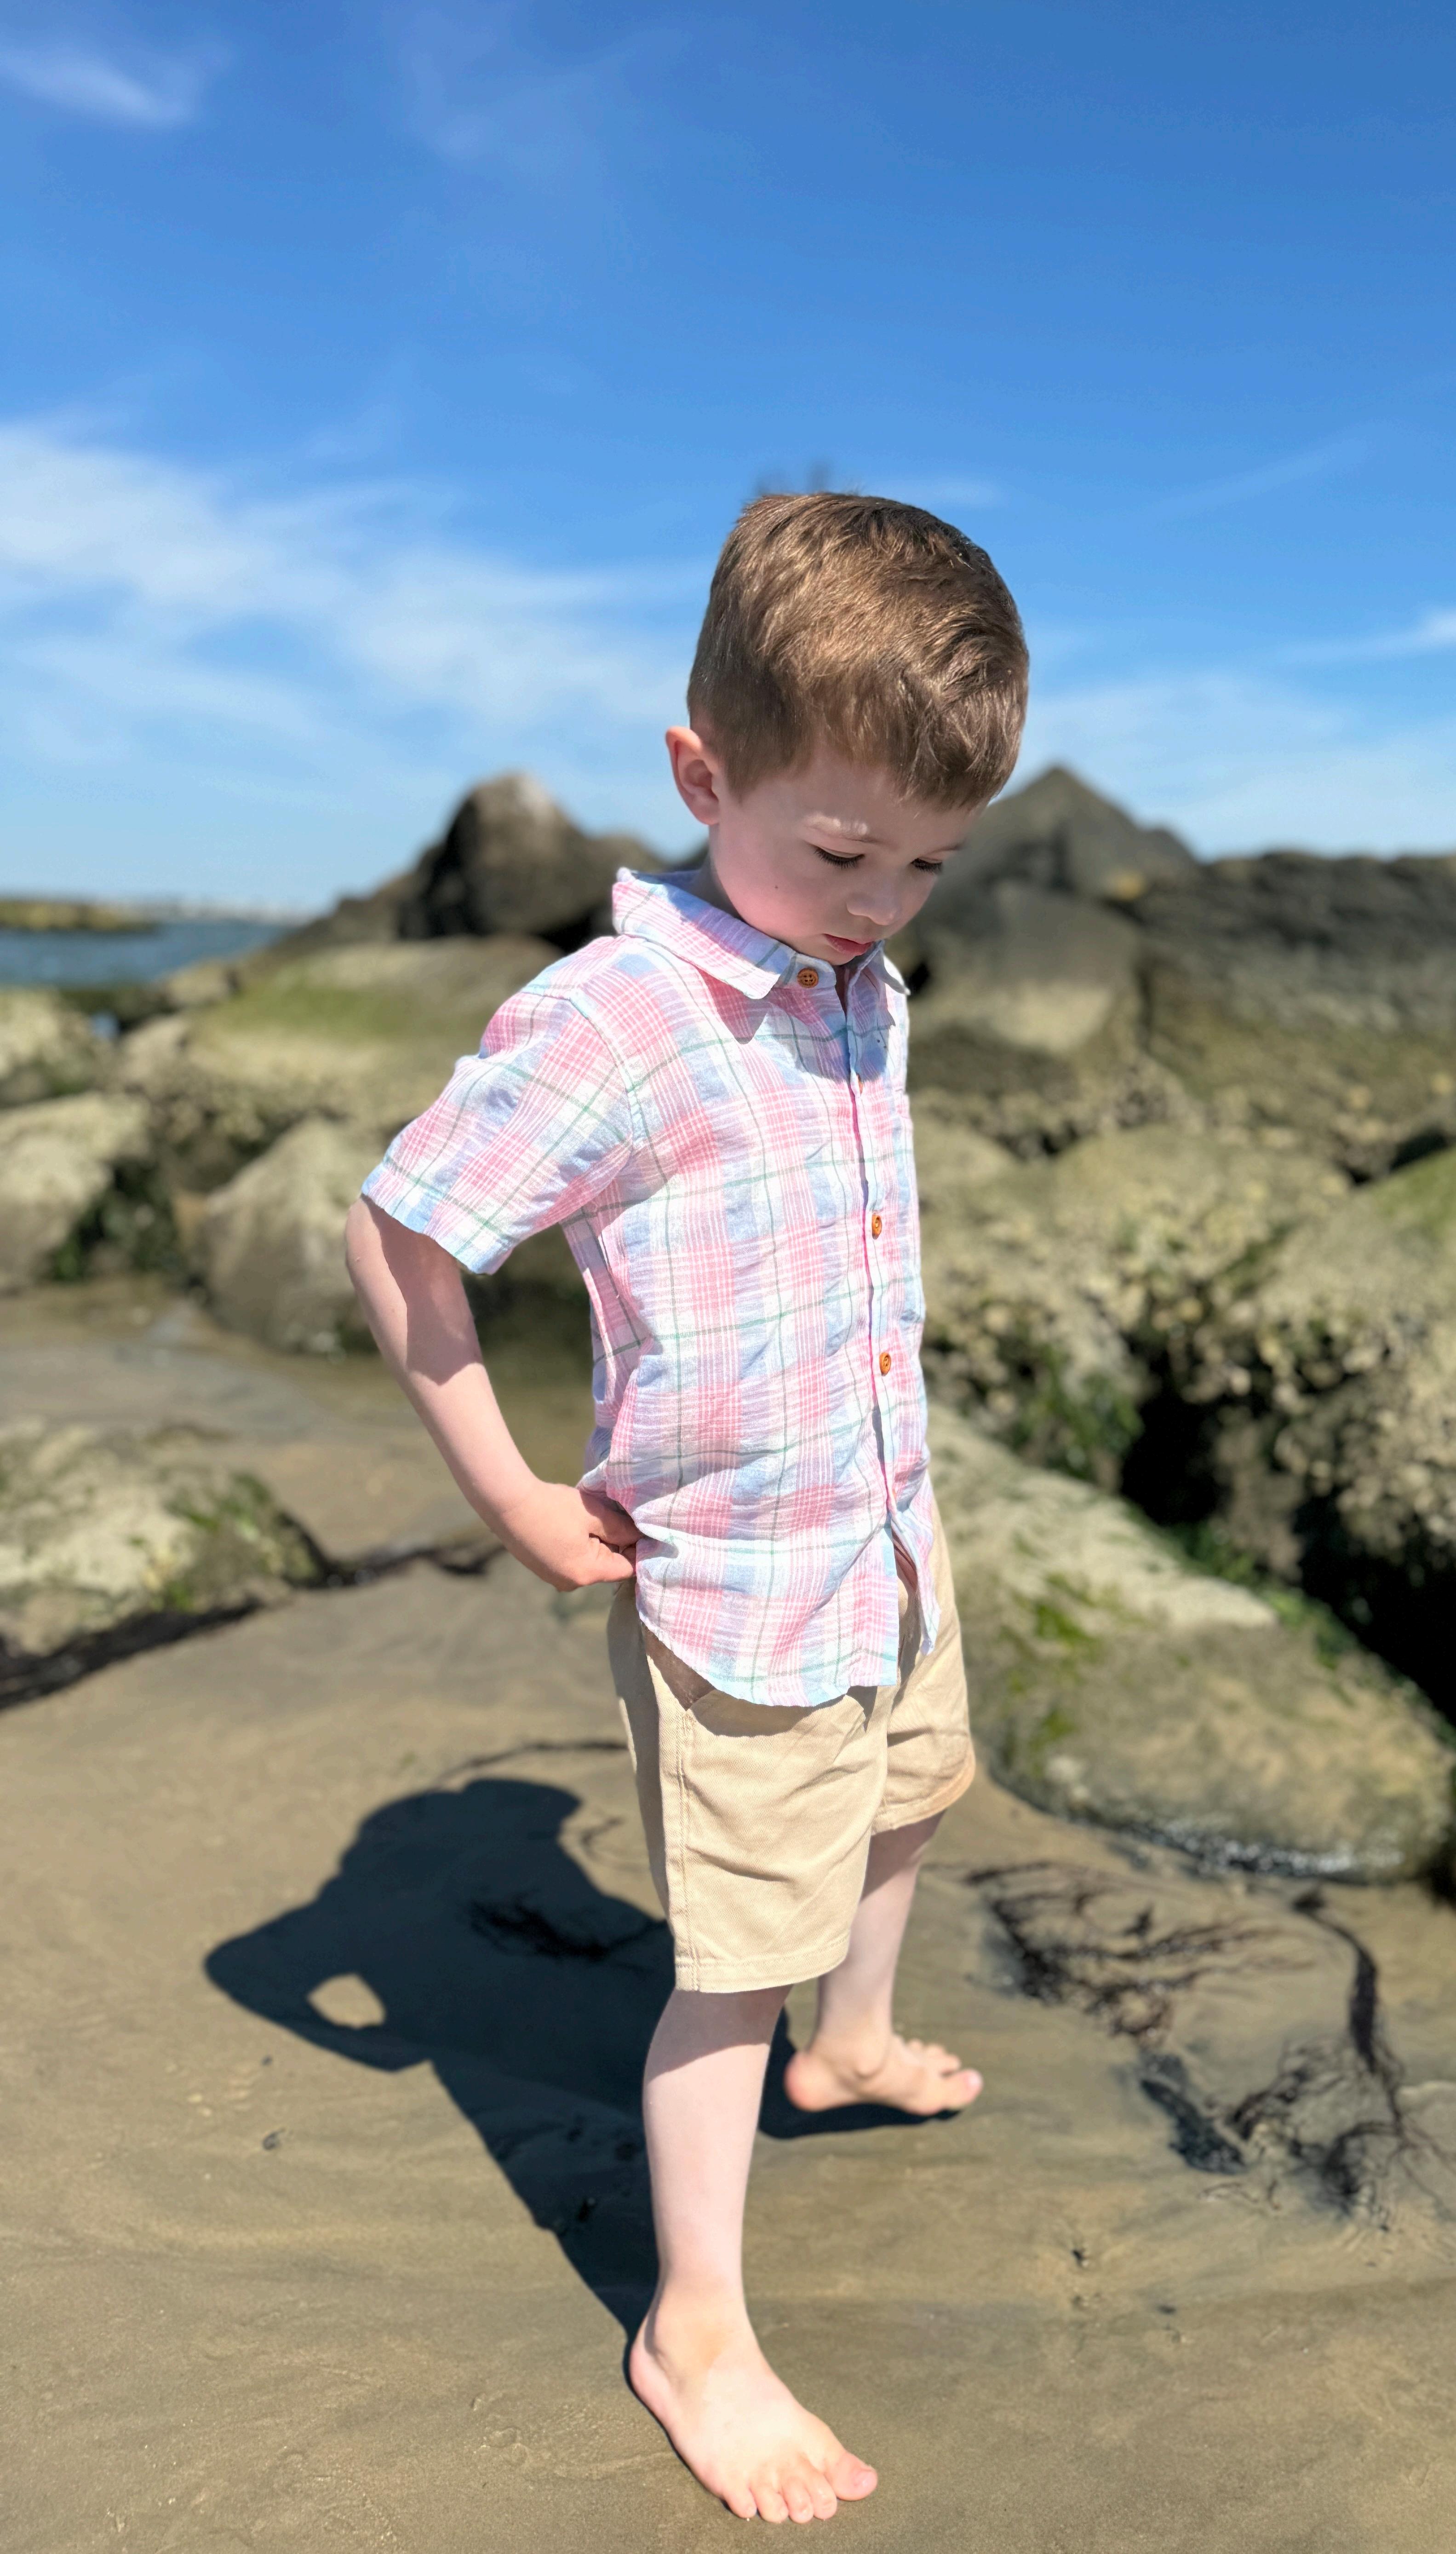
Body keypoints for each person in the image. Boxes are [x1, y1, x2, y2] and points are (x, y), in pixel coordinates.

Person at [344, 492, 1028, 2525]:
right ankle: (696, 2330)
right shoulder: (616, 1021)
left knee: (914, 1792)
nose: (882, 900)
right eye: (844, 851)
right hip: (733, 1592)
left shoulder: (855, 986)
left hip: (882, 1533)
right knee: (732, 1961)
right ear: (703, 776)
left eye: (929, 864)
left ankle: (859, 2038)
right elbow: (404, 1232)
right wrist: (510, 1491)